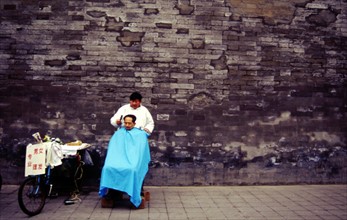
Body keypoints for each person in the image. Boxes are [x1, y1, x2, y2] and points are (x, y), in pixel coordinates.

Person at [99, 114, 151, 208]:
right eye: (125, 123)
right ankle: (112, 192)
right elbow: (113, 150)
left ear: (134, 123)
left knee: (132, 170)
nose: (127, 125)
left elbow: (141, 153)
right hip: (117, 159)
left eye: (129, 123)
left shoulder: (140, 134)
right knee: (108, 168)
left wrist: (135, 162)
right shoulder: (118, 133)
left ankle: (134, 193)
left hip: (134, 161)